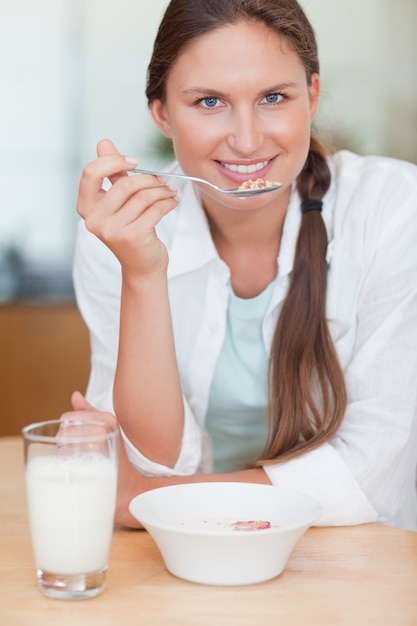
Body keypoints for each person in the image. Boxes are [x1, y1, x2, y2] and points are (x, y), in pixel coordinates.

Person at [68, 0, 417, 530]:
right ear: (162, 113)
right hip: (184, 551)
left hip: (360, 557)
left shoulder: (395, 210)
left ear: (313, 96)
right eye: (210, 101)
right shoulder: (119, 231)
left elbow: (369, 480)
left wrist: (154, 499)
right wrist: (142, 274)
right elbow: (152, 461)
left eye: (274, 97)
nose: (248, 140)